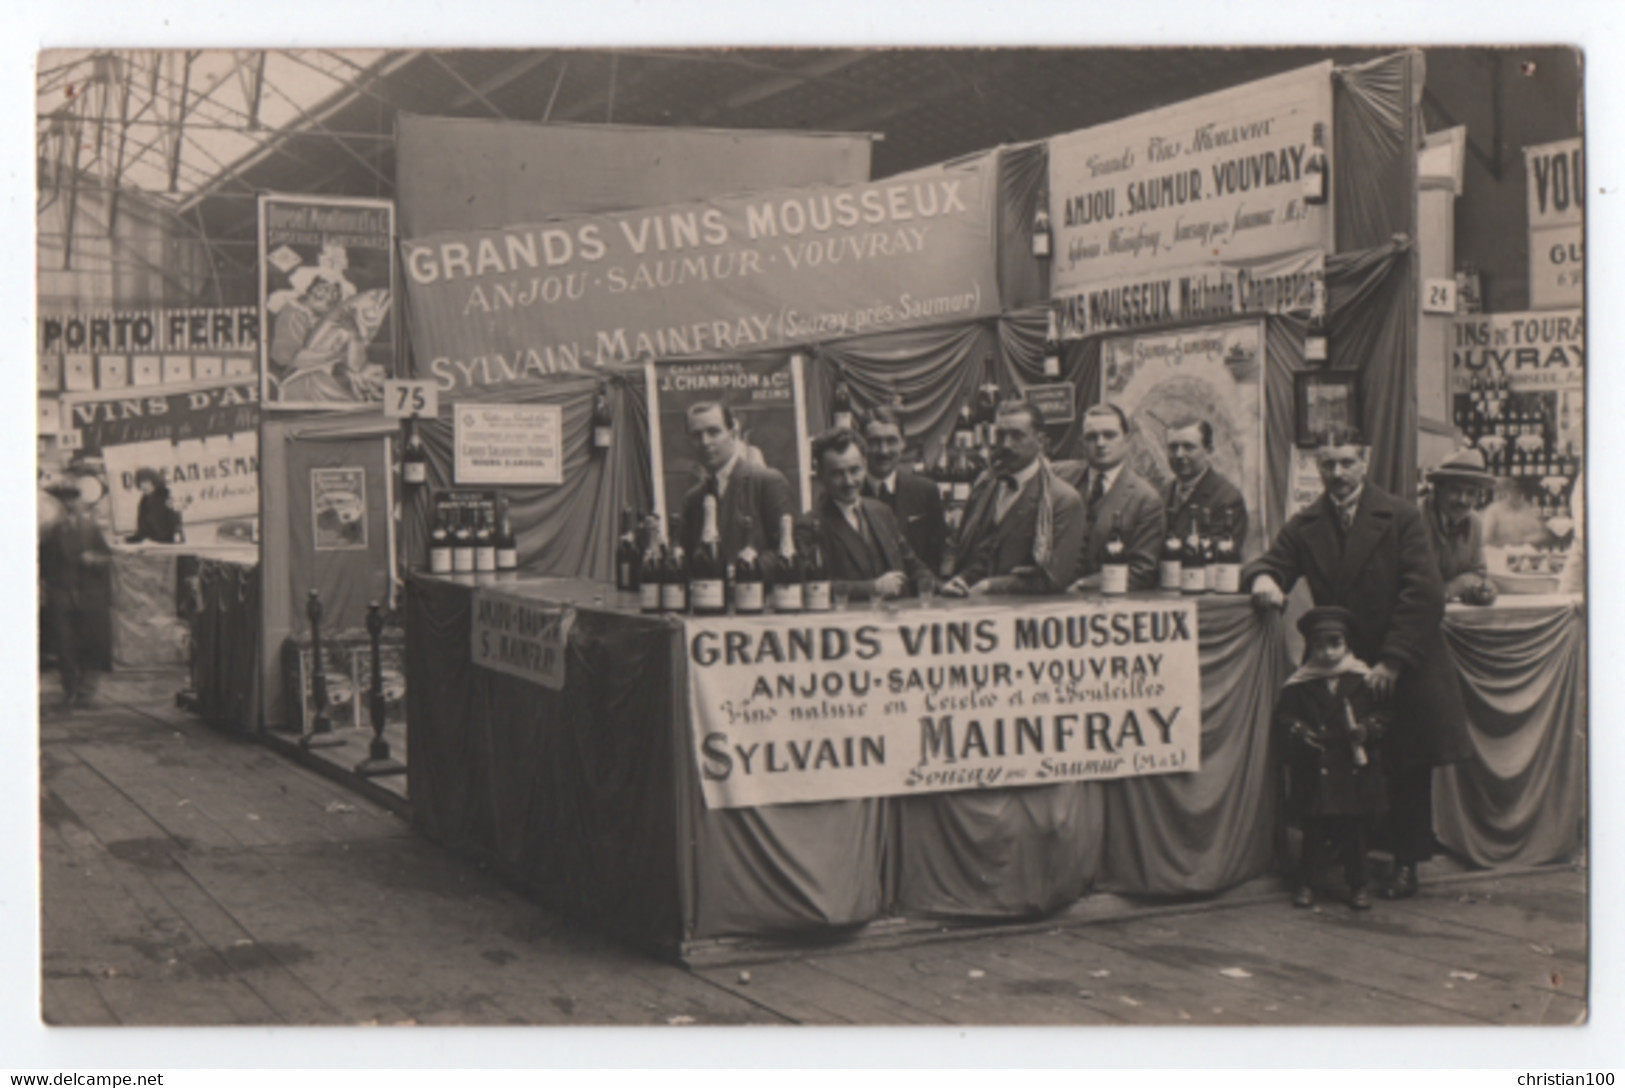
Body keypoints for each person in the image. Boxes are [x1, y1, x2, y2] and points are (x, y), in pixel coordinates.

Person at [1244, 429, 1473, 900]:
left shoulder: (1401, 516)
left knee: (1408, 766)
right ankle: (1351, 861)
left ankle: (1407, 864)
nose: (1337, 474)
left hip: (1405, 660)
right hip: (1344, 664)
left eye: (1346, 462)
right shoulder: (1307, 524)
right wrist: (1266, 579)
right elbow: (1270, 563)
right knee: (1346, 760)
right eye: (1327, 465)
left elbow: (1424, 595)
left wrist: (1391, 662)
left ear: (1364, 461)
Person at [1274, 606, 1389, 911]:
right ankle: (1307, 883)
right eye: (1319, 646)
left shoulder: (1363, 679)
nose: (1327, 653)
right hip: (1317, 767)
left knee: (1354, 833)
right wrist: (1299, 732)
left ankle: (1358, 885)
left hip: (1352, 767)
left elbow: (1384, 715)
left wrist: (1366, 730)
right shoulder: (1301, 683)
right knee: (1314, 831)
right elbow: (1284, 717)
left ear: (1347, 644)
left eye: (1334, 644)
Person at [940, 399, 1084, 597]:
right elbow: (961, 544)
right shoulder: (985, 484)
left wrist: (990, 587)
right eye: (1000, 435)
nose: (1006, 444)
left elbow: (1055, 579)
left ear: (1041, 441)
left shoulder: (1062, 500)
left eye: (1017, 435)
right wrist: (955, 578)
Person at [804, 429, 935, 601]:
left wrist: (938, 585)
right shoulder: (810, 525)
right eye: (837, 473)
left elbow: (912, 564)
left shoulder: (881, 511)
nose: (849, 481)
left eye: (855, 470)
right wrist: (874, 588)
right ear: (821, 475)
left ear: (865, 466)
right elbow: (810, 588)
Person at [1061, 403, 1164, 592]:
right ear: (1082, 442)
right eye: (1091, 437)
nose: (1100, 443)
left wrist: (1084, 585)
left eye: (1109, 435)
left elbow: (1141, 571)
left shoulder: (1145, 499)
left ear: (1126, 440)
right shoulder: (1061, 478)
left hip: (1107, 603)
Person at [679, 401, 797, 561]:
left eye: (713, 432)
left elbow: (788, 551)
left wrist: (746, 571)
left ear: (733, 433)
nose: (705, 442)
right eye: (696, 435)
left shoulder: (768, 482)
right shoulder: (693, 498)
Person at [39, 474, 113, 708]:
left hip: (89, 595)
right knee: (64, 645)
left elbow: (109, 558)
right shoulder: (50, 531)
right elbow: (42, 561)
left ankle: (87, 691)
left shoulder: (92, 528)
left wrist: (95, 559)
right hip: (61, 595)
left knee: (92, 642)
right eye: (63, 501)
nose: (68, 506)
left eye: (72, 500)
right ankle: (70, 690)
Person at [861, 405, 948, 576]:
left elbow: (937, 554)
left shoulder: (926, 491)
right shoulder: (849, 493)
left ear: (903, 443)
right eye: (874, 441)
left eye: (891, 441)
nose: (883, 450)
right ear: (861, 444)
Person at [1419, 447, 1497, 604]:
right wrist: (1455, 587)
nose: (1463, 500)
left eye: (1471, 493)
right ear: (1437, 489)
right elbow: (1411, 583)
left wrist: (1481, 591)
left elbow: (1478, 574)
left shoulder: (1475, 523)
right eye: (1455, 491)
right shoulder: (1415, 517)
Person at [1162, 418, 1249, 548]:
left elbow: (1219, 553)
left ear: (1209, 451)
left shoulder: (1228, 499)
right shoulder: (1161, 493)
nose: (1179, 454)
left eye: (1188, 447)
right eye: (1173, 447)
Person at [127, 467, 183, 544]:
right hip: (151, 543)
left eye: (146, 482)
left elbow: (176, 523)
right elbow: (142, 527)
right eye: (140, 483)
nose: (143, 485)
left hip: (167, 542)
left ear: (154, 482)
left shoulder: (166, 497)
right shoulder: (144, 502)